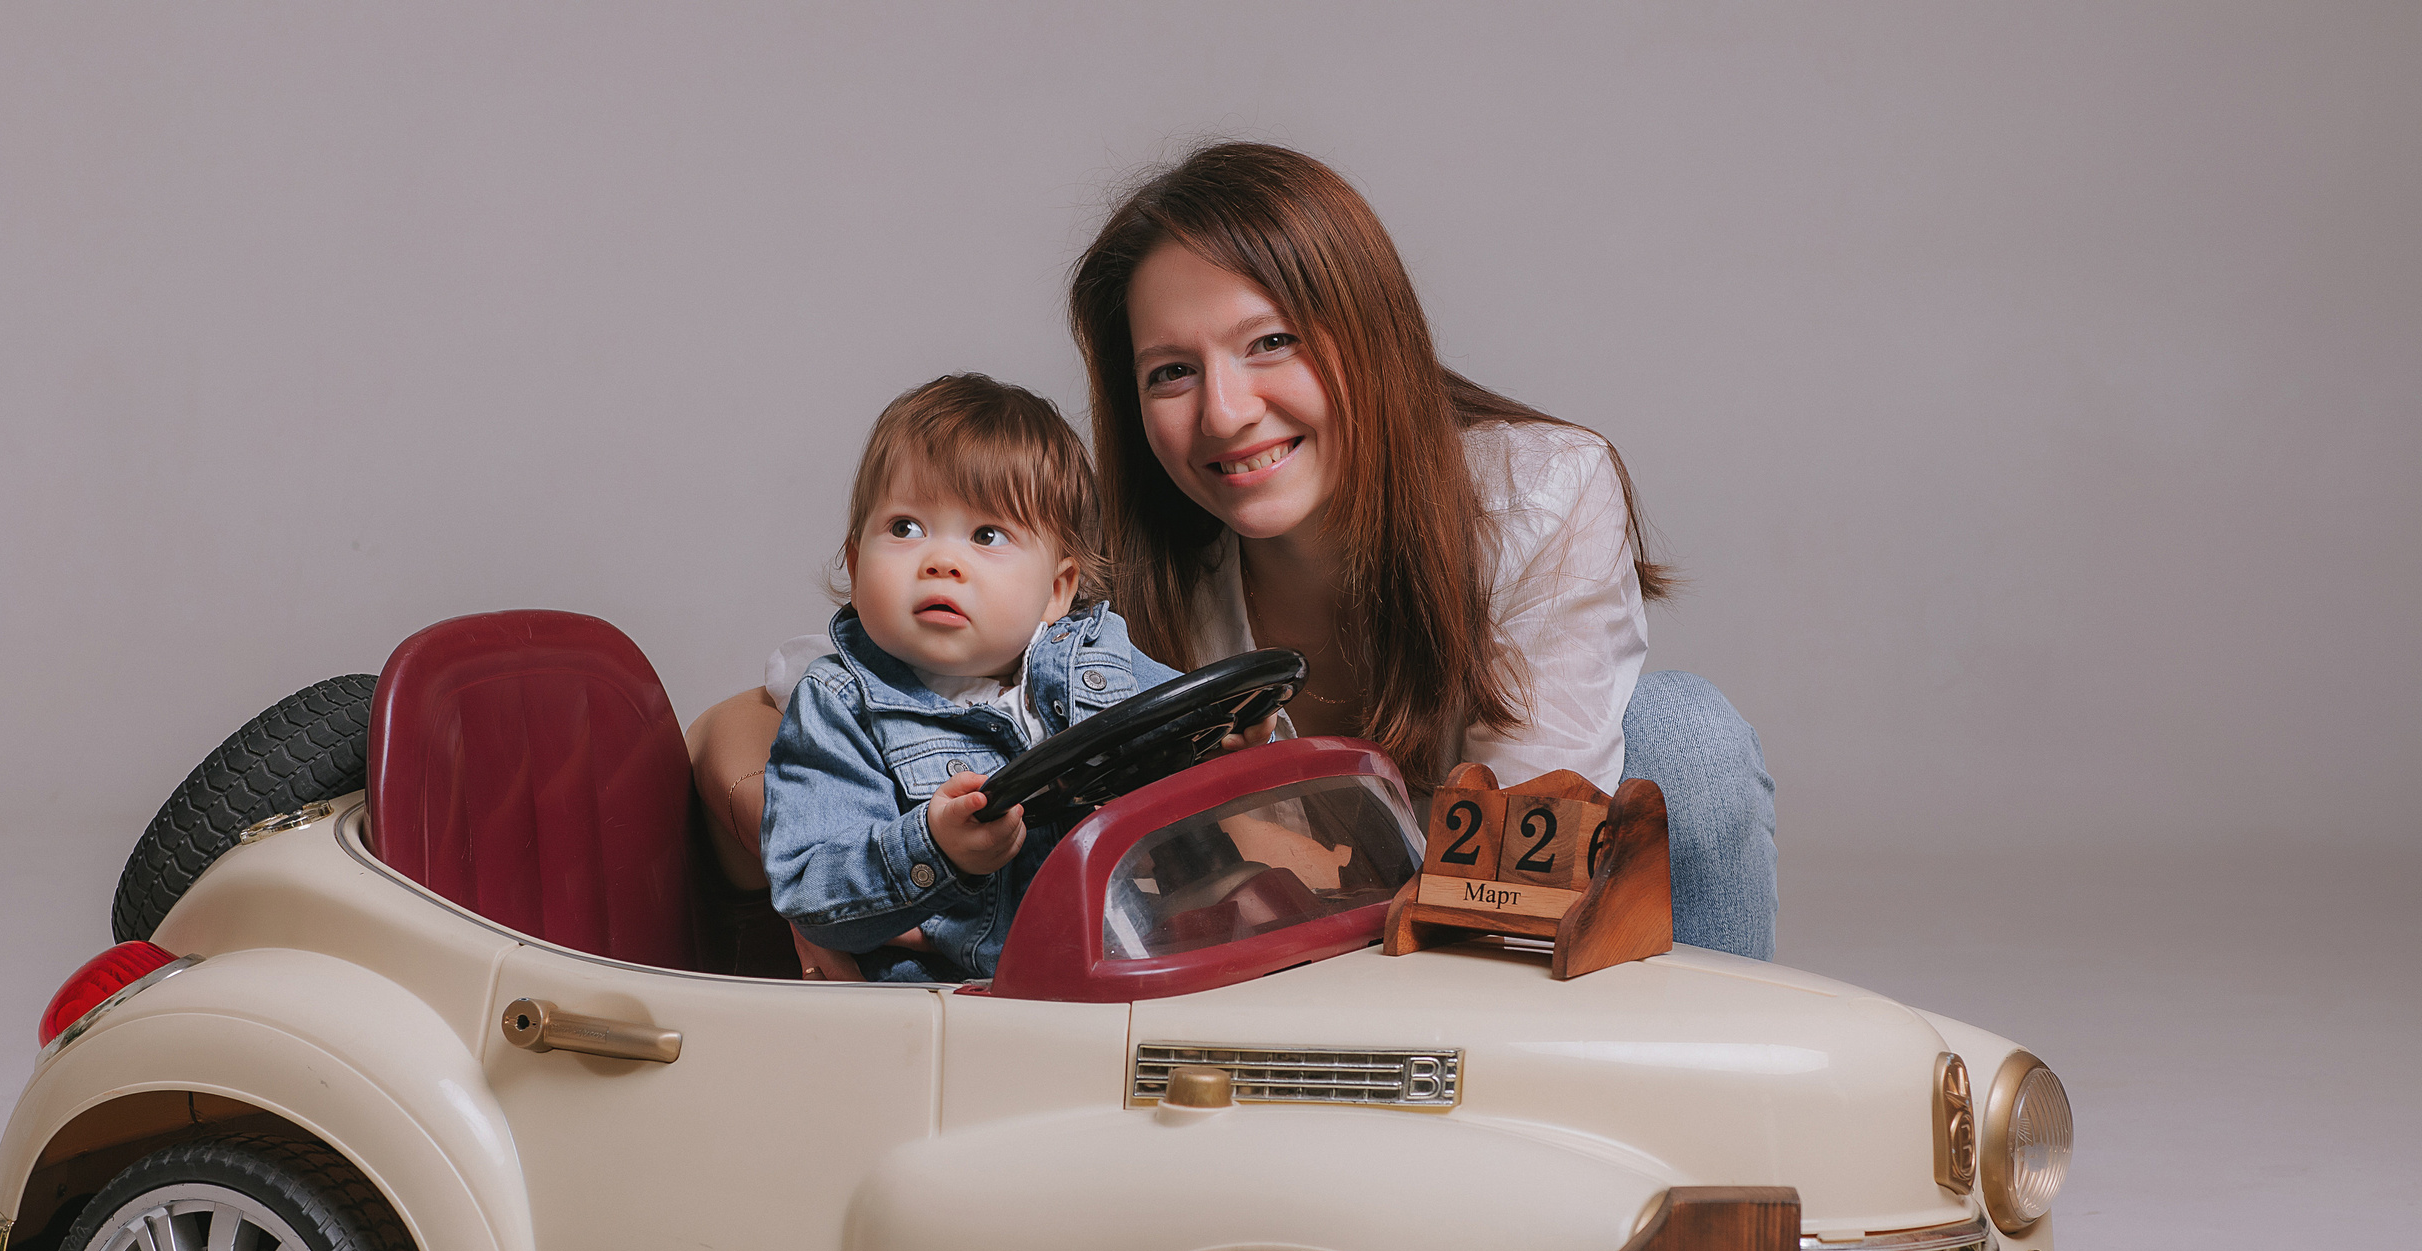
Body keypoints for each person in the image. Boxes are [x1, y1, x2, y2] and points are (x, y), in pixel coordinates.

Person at [692, 141, 1776, 962]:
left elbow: (1507, 855)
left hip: (1490, 950)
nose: (1224, 414)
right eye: (1170, 372)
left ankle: (1717, 1131)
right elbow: (768, 710)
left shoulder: (1542, 493)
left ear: (1370, 332)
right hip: (1250, 966)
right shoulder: (1117, 557)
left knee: (1681, 733)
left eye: (1271, 344)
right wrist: (831, 872)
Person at [759, 373, 1181, 982]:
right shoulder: (840, 707)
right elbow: (809, 893)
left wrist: (1244, 741)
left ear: (1057, 590)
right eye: (905, 528)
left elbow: (1203, 729)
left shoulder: (1103, 663)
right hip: (950, 1013)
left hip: (1129, 979)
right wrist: (933, 846)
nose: (941, 561)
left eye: (988, 535)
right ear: (855, 565)